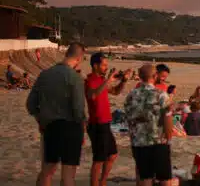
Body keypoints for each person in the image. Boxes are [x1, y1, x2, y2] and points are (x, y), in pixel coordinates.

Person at [26, 42, 86, 186]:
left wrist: (40, 120)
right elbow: (78, 110)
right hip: (71, 128)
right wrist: (83, 127)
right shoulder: (75, 78)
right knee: (68, 176)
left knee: (47, 171)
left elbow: (30, 104)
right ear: (79, 58)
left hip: (50, 127)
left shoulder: (45, 74)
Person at [85, 53, 132, 186]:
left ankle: (103, 182)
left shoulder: (101, 80)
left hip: (106, 124)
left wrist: (124, 80)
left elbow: (116, 92)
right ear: (95, 65)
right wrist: (108, 79)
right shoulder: (90, 80)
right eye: (104, 65)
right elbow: (92, 95)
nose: (106, 67)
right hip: (97, 125)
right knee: (98, 160)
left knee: (112, 155)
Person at [125, 64, 173, 186]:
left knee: (145, 177)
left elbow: (129, 119)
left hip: (139, 142)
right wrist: (168, 138)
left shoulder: (131, 95)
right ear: (154, 76)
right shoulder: (161, 95)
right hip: (157, 142)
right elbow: (168, 120)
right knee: (164, 178)